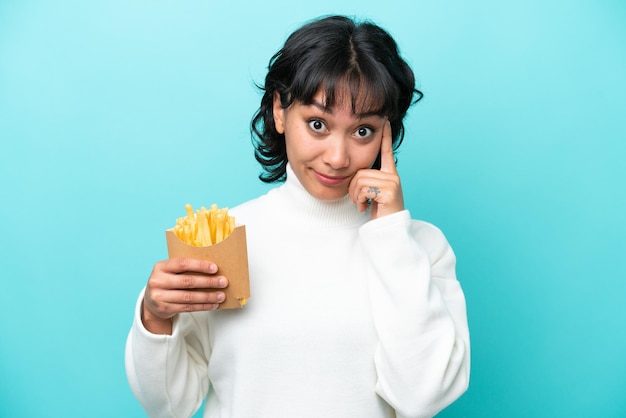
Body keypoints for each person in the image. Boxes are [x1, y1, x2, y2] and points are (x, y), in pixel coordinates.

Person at [125, 14, 470, 418]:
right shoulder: (225, 240)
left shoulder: (420, 249)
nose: (338, 158)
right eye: (317, 124)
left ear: (386, 133)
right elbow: (169, 405)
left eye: (362, 131)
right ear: (279, 111)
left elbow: (422, 397)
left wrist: (392, 237)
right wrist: (154, 318)